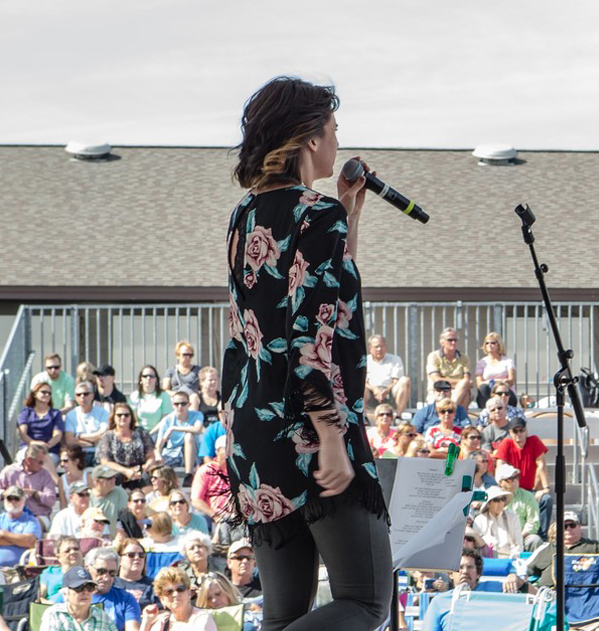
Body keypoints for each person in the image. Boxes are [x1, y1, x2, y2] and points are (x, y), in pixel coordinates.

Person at [221, 76, 390, 629]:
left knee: (285, 613)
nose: (338, 141)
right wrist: (333, 437)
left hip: (253, 427)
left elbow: (322, 296)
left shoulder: (246, 214)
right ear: (310, 139)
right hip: (307, 427)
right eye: (334, 130)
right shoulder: (314, 215)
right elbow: (310, 341)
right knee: (366, 603)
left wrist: (349, 212)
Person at [519, 512, 599, 588]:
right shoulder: (545, 549)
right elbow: (524, 570)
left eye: (572, 525)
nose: (568, 529)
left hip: (586, 595)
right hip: (549, 596)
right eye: (564, 526)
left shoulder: (597, 547)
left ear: (579, 526)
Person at [0, 443, 62, 521]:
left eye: (43, 462)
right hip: (12, 514)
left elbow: (51, 499)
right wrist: (9, 493)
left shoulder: (45, 474)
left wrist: (34, 493)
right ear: (29, 460)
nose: (42, 465)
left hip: (37, 515)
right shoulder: (10, 471)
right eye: (40, 462)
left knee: (35, 526)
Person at [141, 566, 216, 631]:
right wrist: (147, 622)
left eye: (180, 589)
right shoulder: (163, 623)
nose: (175, 594)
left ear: (189, 593)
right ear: (162, 600)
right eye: (168, 591)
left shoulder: (202, 618)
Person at [42, 569, 118, 631]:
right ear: (65, 593)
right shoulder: (55, 614)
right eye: (79, 588)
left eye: (89, 587)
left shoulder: (101, 616)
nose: (85, 592)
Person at [0, 486, 43, 569]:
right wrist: (20, 542)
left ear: (23, 501)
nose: (13, 502)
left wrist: (3, 533)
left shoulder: (31, 520)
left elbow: (29, 541)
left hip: (21, 570)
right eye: (9, 498)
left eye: (16, 498)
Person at [152, 391, 204, 472]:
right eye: (176, 404)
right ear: (172, 405)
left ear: (189, 405)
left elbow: (197, 429)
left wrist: (173, 428)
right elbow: (159, 444)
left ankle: (189, 474)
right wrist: (158, 456)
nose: (180, 406)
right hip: (173, 453)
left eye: (183, 404)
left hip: (193, 454)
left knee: (188, 436)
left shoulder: (197, 415)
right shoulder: (167, 420)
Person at [426, 328, 475, 408]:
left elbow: (467, 380)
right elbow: (437, 379)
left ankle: (450, 409)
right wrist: (460, 383)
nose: (453, 342)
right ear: (442, 342)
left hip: (459, 390)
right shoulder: (434, 356)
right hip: (439, 389)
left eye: (455, 340)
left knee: (465, 390)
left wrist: (461, 384)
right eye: (450, 340)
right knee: (464, 388)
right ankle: (453, 411)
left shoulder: (464, 358)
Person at [363, 335, 410, 414]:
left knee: (405, 380)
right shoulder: (365, 361)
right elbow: (362, 381)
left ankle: (398, 416)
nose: (379, 349)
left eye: (382, 346)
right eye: (376, 347)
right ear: (370, 348)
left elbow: (396, 380)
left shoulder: (395, 359)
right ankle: (364, 418)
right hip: (371, 393)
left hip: (390, 392)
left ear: (386, 347)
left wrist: (387, 389)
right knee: (359, 385)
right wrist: (374, 389)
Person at [469, 490, 523, 558]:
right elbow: (477, 547)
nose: (500, 503)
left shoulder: (513, 517)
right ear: (488, 504)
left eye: (502, 499)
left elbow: (519, 545)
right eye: (496, 500)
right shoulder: (480, 520)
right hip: (488, 559)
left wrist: (514, 555)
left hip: (511, 557)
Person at [19, 381, 70, 453]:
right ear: (34, 394)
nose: (47, 395)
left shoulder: (56, 414)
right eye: (43, 392)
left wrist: (47, 445)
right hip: (28, 448)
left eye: (49, 393)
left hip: (49, 450)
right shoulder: (26, 412)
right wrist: (33, 443)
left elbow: (57, 435)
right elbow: (22, 433)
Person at [472, 332, 516, 405]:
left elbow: (511, 381)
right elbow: (479, 384)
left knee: (503, 391)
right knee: (483, 388)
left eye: (492, 343)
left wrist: (491, 382)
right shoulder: (481, 362)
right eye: (487, 343)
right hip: (488, 393)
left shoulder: (508, 361)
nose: (489, 345)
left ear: (498, 344)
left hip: (505, 392)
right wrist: (498, 380)